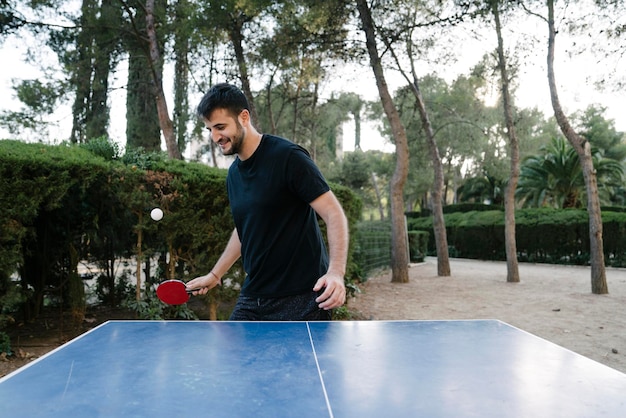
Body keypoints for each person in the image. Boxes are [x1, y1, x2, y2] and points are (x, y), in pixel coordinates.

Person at [185, 83, 348, 320]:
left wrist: (336, 272)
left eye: (220, 127)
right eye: (209, 129)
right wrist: (215, 274)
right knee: (233, 358)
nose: (215, 137)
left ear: (243, 117)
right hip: (254, 295)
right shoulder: (234, 175)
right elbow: (245, 229)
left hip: (303, 296)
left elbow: (334, 214)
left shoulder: (288, 157)